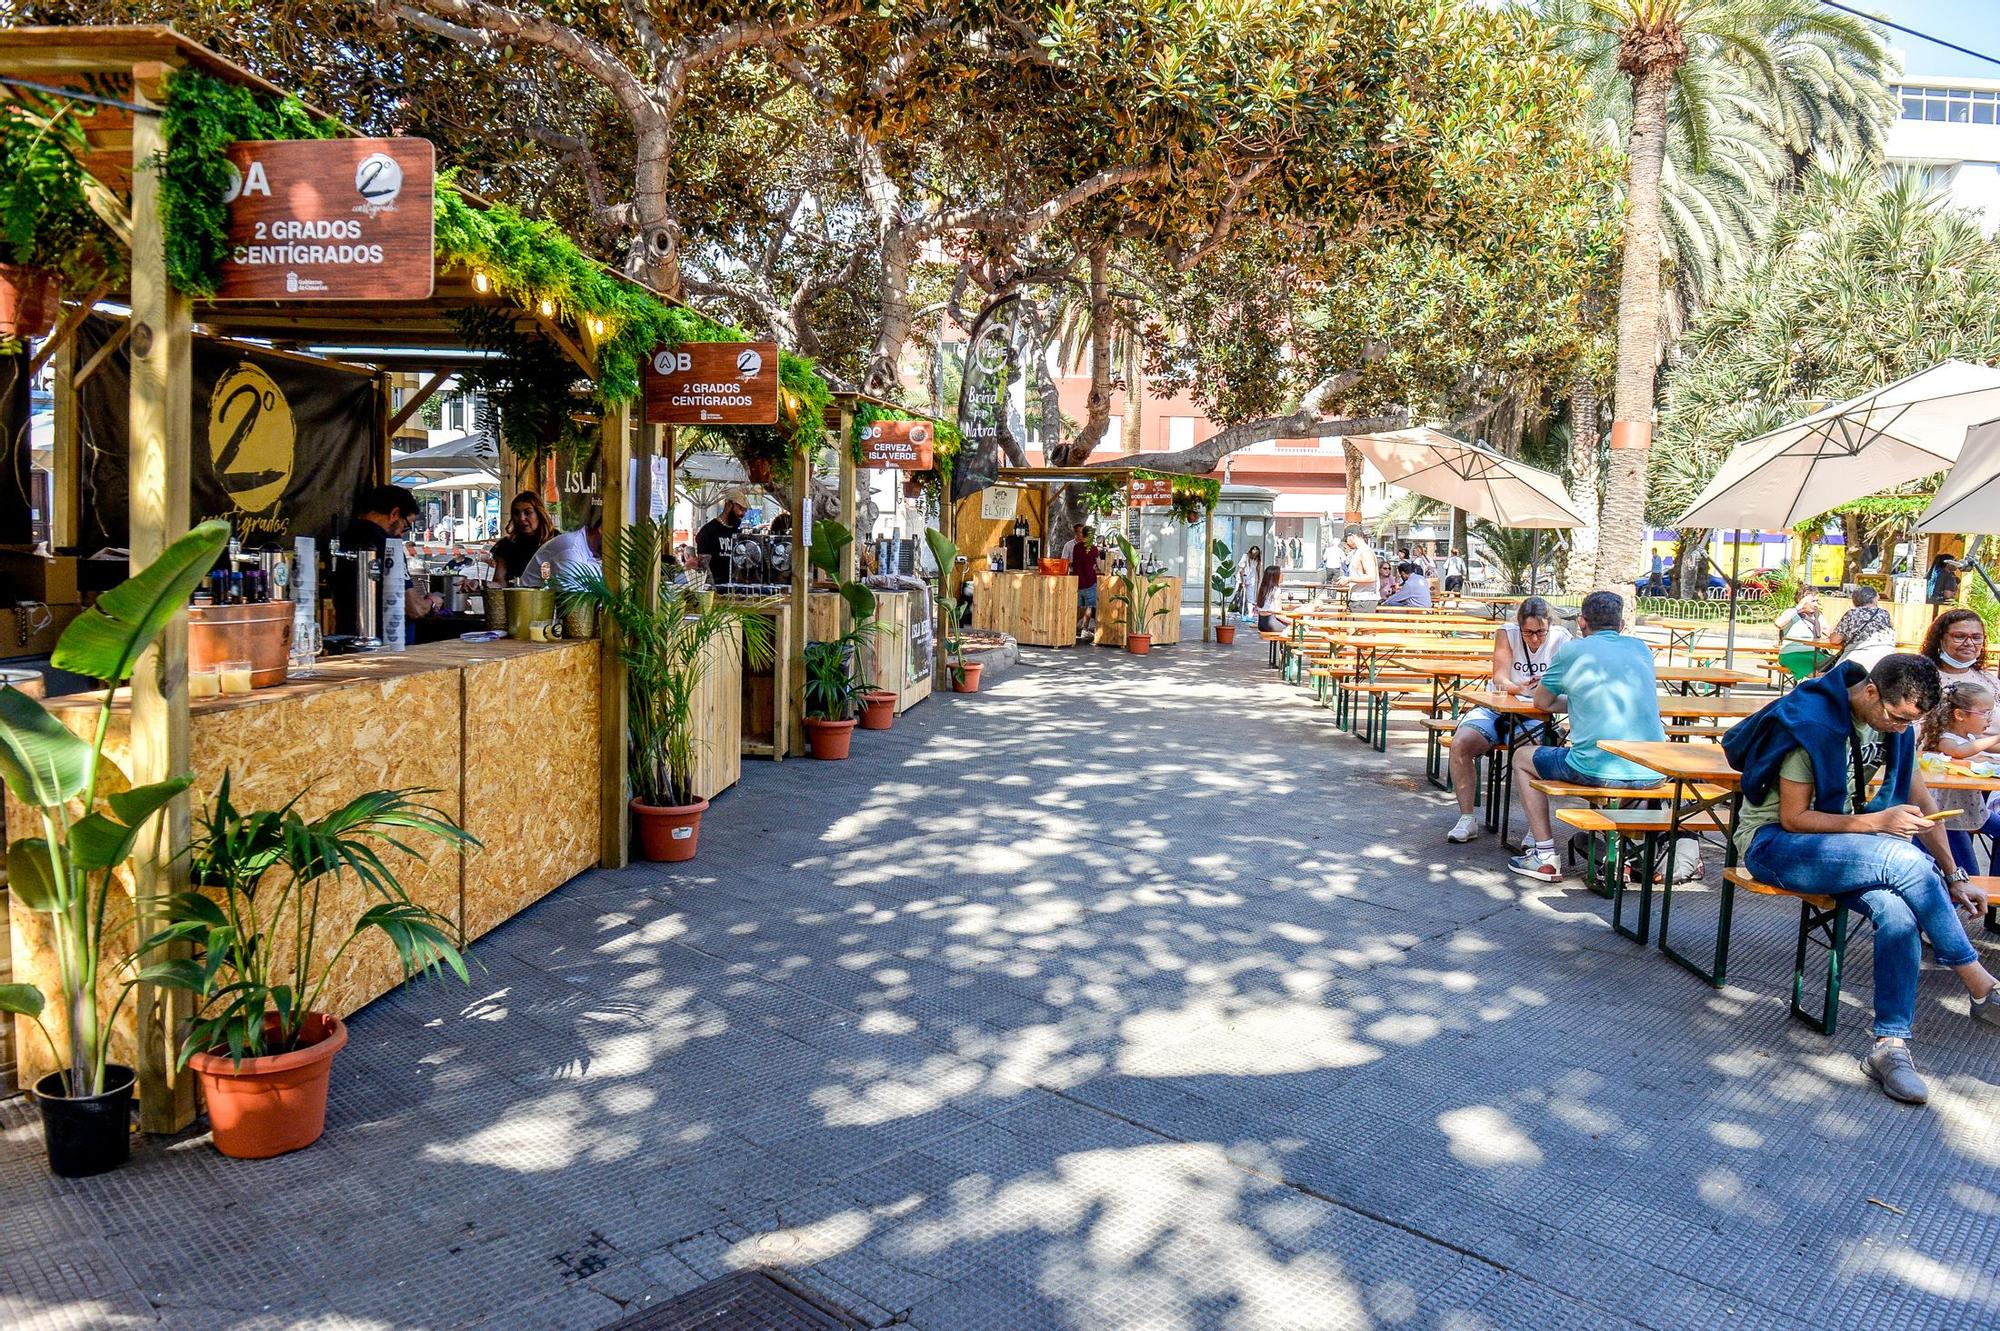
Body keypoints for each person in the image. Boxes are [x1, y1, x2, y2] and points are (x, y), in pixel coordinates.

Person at [1726, 653, 2000, 1104]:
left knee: (1898, 911)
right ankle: (1978, 981)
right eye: (1895, 717)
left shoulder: (1897, 726)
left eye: (1909, 722)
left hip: (1848, 849)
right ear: (1871, 691)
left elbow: (1924, 803)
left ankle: (1890, 1047)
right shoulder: (1812, 723)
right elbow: (1794, 819)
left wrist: (1955, 875)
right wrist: (1877, 824)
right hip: (1775, 845)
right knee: (1900, 858)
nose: (1898, 728)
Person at [1508, 591, 1668, 882]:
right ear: (1620, 624)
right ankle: (1624, 854)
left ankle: (1543, 855)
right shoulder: (1641, 648)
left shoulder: (1571, 652)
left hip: (1596, 769)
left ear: (1581, 621)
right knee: (1629, 780)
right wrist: (1582, 699)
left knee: (1521, 757)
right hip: (1655, 769)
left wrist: (1575, 699)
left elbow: (1541, 703)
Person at [1446, 598, 1571, 844]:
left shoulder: (1562, 639)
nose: (1534, 639)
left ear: (1549, 625)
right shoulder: (1506, 633)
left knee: (1530, 755)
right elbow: (1500, 677)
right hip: (1497, 707)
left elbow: (1566, 684)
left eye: (1540, 632)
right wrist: (1518, 688)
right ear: (1519, 626)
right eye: (1528, 632)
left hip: (1535, 713)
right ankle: (1467, 818)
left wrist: (1542, 694)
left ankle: (1534, 829)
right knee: (1461, 743)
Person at [1917, 679, 2000, 872]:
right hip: (1948, 818)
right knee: (1968, 873)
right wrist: (1996, 737)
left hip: (1973, 812)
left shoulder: (1968, 737)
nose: (1989, 719)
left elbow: (1982, 747)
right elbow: (1959, 752)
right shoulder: (1945, 739)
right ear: (1960, 715)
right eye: (1985, 713)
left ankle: (1996, 886)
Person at [518, 509, 603, 589]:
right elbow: (571, 601)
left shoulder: (595, 553)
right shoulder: (571, 549)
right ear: (601, 529)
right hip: (532, 602)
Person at [488, 490, 560, 584]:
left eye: (528, 513)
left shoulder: (556, 541)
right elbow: (499, 581)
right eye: (516, 513)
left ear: (539, 514)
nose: (521, 518)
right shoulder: (508, 545)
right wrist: (479, 584)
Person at [1830, 584, 1897, 672]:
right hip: (1886, 657)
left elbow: (1835, 640)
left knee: (1836, 678)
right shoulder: (1884, 614)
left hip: (1860, 658)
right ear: (1874, 598)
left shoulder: (1852, 613)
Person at [340, 483, 421, 553]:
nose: (401, 534)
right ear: (394, 514)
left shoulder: (345, 535)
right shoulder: (383, 544)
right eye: (405, 526)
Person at [1773, 588, 1828, 681]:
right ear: (1801, 600)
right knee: (1816, 672)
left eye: (1817, 601)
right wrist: (1798, 607)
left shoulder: (1817, 615)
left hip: (1814, 653)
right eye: (1812, 601)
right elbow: (1778, 623)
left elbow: (1828, 630)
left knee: (1836, 664)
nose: (1815, 604)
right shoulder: (1791, 613)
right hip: (1792, 653)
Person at [695, 491, 750, 562]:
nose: (743, 514)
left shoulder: (738, 533)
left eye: (745, 511)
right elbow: (703, 565)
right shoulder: (708, 531)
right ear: (729, 505)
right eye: (741, 509)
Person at [1071, 524, 1102, 637]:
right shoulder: (1093, 549)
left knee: (1078, 605)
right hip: (1090, 580)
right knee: (1090, 606)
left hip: (1078, 580)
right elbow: (1098, 564)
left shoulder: (1076, 547)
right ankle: (1084, 629)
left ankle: (1072, 628)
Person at [1338, 528, 1378, 611]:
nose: (1346, 543)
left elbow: (1371, 577)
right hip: (1359, 599)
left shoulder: (1365, 552)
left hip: (1365, 600)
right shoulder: (1359, 551)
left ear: (1352, 536)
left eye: (1346, 539)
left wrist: (1349, 579)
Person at [1254, 565, 1288, 633]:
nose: (1283, 575)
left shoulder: (1263, 589)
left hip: (1261, 624)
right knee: (1296, 629)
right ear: (1275, 576)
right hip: (1272, 623)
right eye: (1280, 573)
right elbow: (1278, 613)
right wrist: (1294, 622)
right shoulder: (1276, 590)